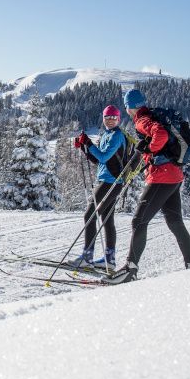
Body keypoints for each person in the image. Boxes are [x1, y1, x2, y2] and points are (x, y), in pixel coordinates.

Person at [110, 88, 190, 284]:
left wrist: (149, 148)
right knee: (175, 222)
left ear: (129, 107)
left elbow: (161, 135)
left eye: (127, 107)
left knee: (138, 221)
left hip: (162, 177)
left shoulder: (142, 120)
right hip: (174, 175)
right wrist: (148, 152)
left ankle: (130, 269)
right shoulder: (152, 114)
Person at [71, 105, 131, 268]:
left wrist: (89, 143)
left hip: (111, 182)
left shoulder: (117, 136)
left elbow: (103, 157)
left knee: (89, 215)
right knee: (107, 220)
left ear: (118, 119)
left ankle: (87, 257)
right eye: (107, 117)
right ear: (103, 119)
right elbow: (99, 160)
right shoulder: (106, 135)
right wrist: (84, 147)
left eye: (113, 118)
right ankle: (109, 261)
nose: (110, 120)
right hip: (109, 181)